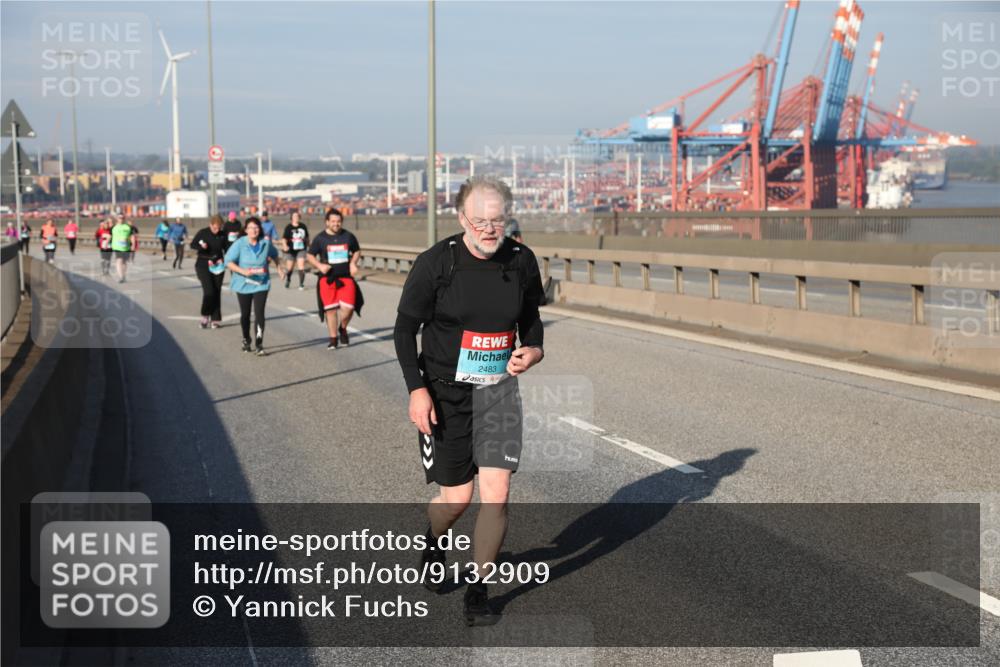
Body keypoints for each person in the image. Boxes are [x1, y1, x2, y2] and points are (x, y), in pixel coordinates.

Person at [393, 175, 544, 625]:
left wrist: (534, 350)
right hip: (445, 393)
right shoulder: (437, 264)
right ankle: (435, 540)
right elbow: (404, 331)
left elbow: (531, 320)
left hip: (498, 391)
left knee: (495, 496)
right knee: (456, 499)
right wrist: (417, 390)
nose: (489, 229)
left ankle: (478, 590)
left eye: (497, 220)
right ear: (461, 219)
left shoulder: (521, 261)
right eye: (479, 221)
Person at [224, 216, 283, 355]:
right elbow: (228, 261)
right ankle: (246, 339)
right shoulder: (240, 243)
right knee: (245, 314)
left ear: (260, 230)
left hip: (261, 284)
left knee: (259, 313)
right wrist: (242, 271)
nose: (254, 230)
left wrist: (279, 268)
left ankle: (259, 344)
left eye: (256, 228)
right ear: (246, 230)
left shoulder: (265, 243)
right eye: (251, 228)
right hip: (244, 283)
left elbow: (275, 255)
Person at [306, 208, 361, 349]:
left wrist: (353, 263)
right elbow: (310, 255)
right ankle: (333, 339)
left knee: (348, 308)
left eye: (338, 221)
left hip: (346, 278)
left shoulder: (348, 236)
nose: (336, 224)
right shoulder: (320, 238)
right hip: (327, 279)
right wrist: (319, 266)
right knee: (330, 310)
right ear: (327, 222)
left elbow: (356, 251)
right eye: (333, 221)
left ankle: (343, 327)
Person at [191, 214, 228, 329]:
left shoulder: (223, 235)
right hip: (203, 264)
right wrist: (202, 247)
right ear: (210, 225)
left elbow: (228, 249)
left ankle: (215, 319)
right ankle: (205, 317)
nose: (217, 230)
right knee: (209, 291)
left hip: (218, 265)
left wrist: (228, 259)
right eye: (215, 228)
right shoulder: (203, 232)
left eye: (219, 228)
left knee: (216, 291)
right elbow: (193, 244)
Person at [281, 210, 310, 290]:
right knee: (290, 268)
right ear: (291, 218)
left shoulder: (303, 226)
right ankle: (288, 279)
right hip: (291, 250)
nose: (296, 218)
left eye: (297, 216)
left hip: (301, 249)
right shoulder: (289, 227)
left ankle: (301, 284)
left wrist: (309, 246)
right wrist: (285, 245)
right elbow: (284, 238)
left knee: (301, 266)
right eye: (294, 216)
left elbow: (307, 237)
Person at [110, 217, 135, 283]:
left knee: (124, 262)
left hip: (126, 247)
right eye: (119, 218)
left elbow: (132, 236)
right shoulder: (113, 227)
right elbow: (109, 235)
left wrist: (133, 245)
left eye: (122, 218)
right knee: (119, 260)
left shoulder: (128, 227)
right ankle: (121, 277)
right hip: (117, 247)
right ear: (117, 219)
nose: (121, 219)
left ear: (124, 219)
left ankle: (124, 276)